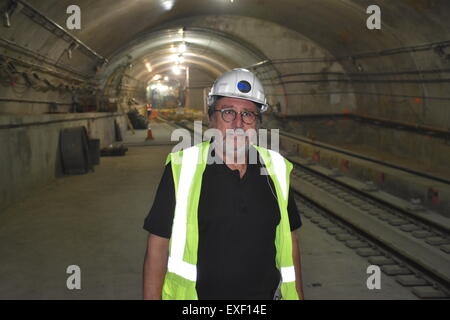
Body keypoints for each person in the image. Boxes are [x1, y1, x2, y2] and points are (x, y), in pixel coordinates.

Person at [143, 68, 304, 300]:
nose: (238, 123)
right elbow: (157, 245)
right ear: (211, 118)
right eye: (228, 112)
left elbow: (290, 240)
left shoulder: (275, 168)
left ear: (257, 123)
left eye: (248, 114)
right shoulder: (183, 167)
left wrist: (298, 294)